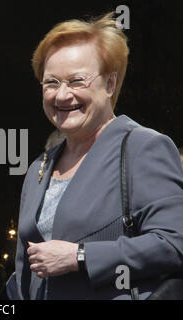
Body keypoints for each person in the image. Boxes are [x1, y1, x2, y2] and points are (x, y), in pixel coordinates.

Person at [15, 12, 183, 300]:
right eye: (51, 82)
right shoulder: (39, 168)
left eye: (77, 81)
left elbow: (175, 242)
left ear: (109, 85)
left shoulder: (142, 147)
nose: (62, 95)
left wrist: (81, 256)